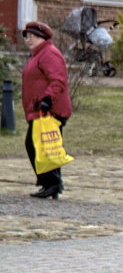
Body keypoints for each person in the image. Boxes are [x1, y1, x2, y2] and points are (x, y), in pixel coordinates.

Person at [20, 21, 72, 200]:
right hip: (40, 109)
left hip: (49, 109)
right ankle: (51, 184)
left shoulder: (49, 54)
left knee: (44, 146)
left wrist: (47, 99)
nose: (29, 40)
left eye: (33, 36)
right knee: (42, 145)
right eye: (27, 36)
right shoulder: (37, 55)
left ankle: (52, 184)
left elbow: (58, 80)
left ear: (42, 38)